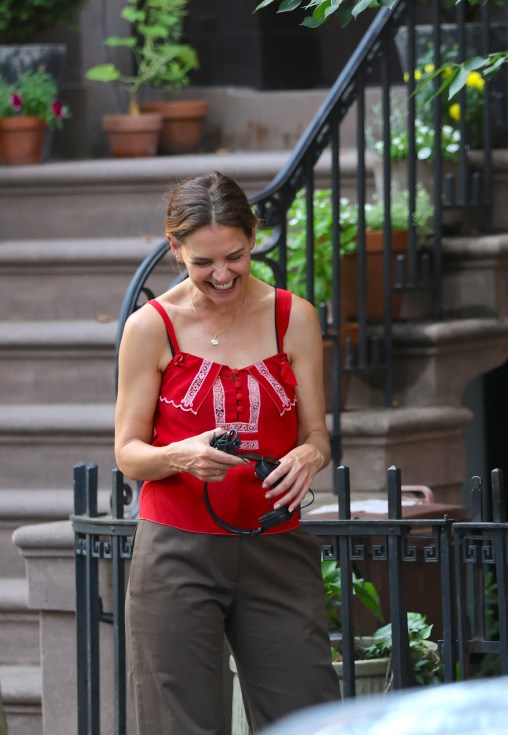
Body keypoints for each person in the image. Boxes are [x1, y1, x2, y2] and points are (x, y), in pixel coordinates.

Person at [114, 171, 340, 733]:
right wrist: (179, 455)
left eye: (235, 257)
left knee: (309, 716)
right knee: (179, 723)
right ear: (175, 249)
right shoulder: (151, 327)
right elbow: (128, 453)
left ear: (254, 235)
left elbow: (317, 435)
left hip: (277, 547)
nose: (222, 275)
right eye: (202, 262)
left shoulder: (295, 316)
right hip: (176, 551)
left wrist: (309, 457)